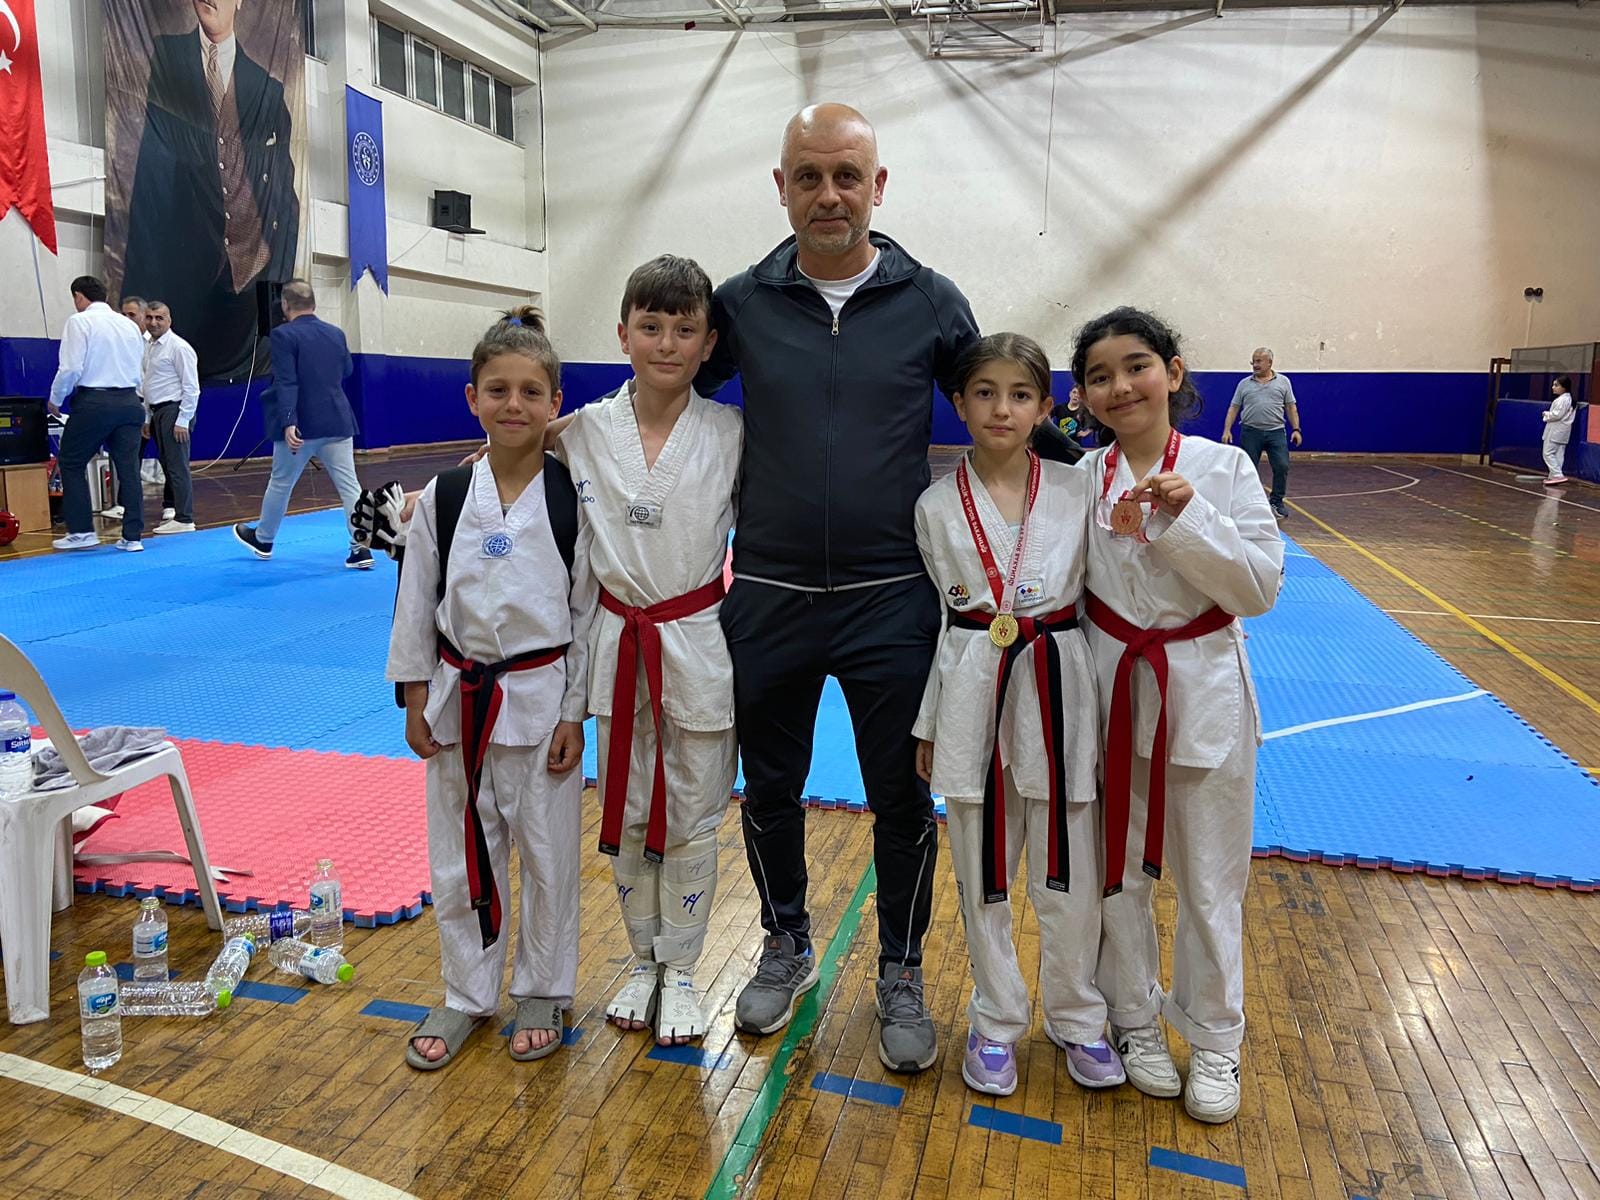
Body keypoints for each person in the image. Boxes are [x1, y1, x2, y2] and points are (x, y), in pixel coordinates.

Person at [694, 103, 979, 1074]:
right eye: (808, 176)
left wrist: (1104, 469)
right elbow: (666, 386)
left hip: (889, 598)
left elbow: (1001, 404)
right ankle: (786, 941)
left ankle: (900, 969)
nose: (828, 195)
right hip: (768, 593)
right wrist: (556, 440)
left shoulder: (931, 300)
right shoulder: (740, 302)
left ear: (877, 186)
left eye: (846, 176)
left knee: (902, 797)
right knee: (769, 788)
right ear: (781, 187)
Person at [1073, 307, 1283, 1124]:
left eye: (1137, 366)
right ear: (1085, 395)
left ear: (1174, 372)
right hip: (1110, 687)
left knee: (1210, 881)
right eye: (1099, 376)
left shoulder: (1224, 468)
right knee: (1117, 873)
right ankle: (1132, 1017)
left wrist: (1190, 515)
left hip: (1202, 686)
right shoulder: (1080, 479)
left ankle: (1215, 1037)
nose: (1121, 386)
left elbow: (1257, 590)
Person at [385, 308, 593, 1071]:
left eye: (531, 392)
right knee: (458, 855)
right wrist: (414, 697)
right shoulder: (444, 496)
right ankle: (467, 993)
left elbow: (587, 612)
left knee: (547, 855)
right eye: (498, 390)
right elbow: (415, 601)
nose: (514, 404)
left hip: (542, 701)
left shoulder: (573, 498)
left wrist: (576, 712)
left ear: (555, 403)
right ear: (472, 398)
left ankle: (543, 988)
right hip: (457, 700)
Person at [912, 333, 1117, 1098]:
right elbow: (938, 622)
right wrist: (930, 722)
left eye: (1020, 394)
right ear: (959, 403)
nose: (1002, 408)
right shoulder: (935, 505)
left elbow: (1103, 603)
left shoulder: (1077, 488)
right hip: (972, 692)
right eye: (986, 393)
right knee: (983, 875)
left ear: (1045, 407)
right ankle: (996, 1020)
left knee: (1071, 876)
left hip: (1061, 687)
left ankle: (1077, 1017)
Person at [555, 255, 741, 1046]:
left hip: (698, 646)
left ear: (709, 343)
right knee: (628, 812)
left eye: (685, 329)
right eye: (651, 326)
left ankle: (684, 971)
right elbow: (512, 470)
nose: (667, 343)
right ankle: (640, 963)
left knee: (694, 817)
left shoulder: (733, 434)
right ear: (622, 333)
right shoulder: (583, 432)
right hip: (617, 642)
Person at [120, 0, 299, 380]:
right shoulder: (169, 56)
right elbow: (154, 170)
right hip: (190, 268)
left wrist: (277, 261)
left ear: (240, 2)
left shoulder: (266, 86)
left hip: (251, 269)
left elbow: (284, 186)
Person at [232, 281, 371, 567]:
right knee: (349, 486)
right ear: (314, 304)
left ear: (285, 305)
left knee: (281, 483)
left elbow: (286, 381)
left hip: (301, 425)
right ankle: (361, 548)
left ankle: (264, 539)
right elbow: (347, 369)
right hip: (337, 420)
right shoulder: (336, 333)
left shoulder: (283, 335)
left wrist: (288, 421)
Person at [48, 276, 149, 552]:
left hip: (95, 402)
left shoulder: (79, 322)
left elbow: (70, 368)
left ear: (79, 296)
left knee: (71, 462)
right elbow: (139, 369)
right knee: (129, 469)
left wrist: (55, 399)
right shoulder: (129, 326)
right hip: (130, 401)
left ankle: (82, 532)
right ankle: (133, 537)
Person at [141, 302, 200, 534]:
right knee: (167, 465)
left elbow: (191, 387)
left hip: (174, 411)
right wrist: (148, 417)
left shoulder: (179, 347)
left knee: (177, 466)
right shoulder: (150, 347)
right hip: (158, 412)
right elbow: (149, 383)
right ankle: (177, 512)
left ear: (169, 320)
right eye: (149, 317)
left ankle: (185, 518)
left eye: (159, 318)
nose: (153, 322)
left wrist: (183, 419)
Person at [1221, 348, 1300, 521]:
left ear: (1270, 363)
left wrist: (1296, 429)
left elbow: (1291, 406)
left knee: (1282, 466)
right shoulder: (1244, 384)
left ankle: (1277, 502)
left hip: (1276, 432)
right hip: (1251, 432)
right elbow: (1234, 408)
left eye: (1259, 361)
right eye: (1253, 361)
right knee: (1247, 470)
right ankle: (1248, 503)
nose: (1255, 365)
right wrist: (1227, 430)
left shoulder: (1283, 382)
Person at [1541, 375, 1576, 486]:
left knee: (1547, 453)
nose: (1553, 387)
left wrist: (1546, 414)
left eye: (1556, 385)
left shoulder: (1562, 400)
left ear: (1564, 387)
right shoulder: (1568, 399)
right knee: (1558, 454)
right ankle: (1554, 476)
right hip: (1562, 432)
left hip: (1555, 431)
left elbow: (1557, 415)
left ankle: (1557, 474)